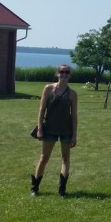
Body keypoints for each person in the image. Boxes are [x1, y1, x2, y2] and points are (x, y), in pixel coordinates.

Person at [30, 64, 78, 197]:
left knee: (65, 158)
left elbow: (74, 116)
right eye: (62, 72)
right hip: (50, 128)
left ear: (70, 75)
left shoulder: (72, 94)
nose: (64, 74)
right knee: (44, 158)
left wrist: (74, 135)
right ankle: (35, 187)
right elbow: (41, 110)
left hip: (66, 130)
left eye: (67, 72)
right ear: (57, 74)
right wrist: (40, 128)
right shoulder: (48, 89)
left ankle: (62, 190)